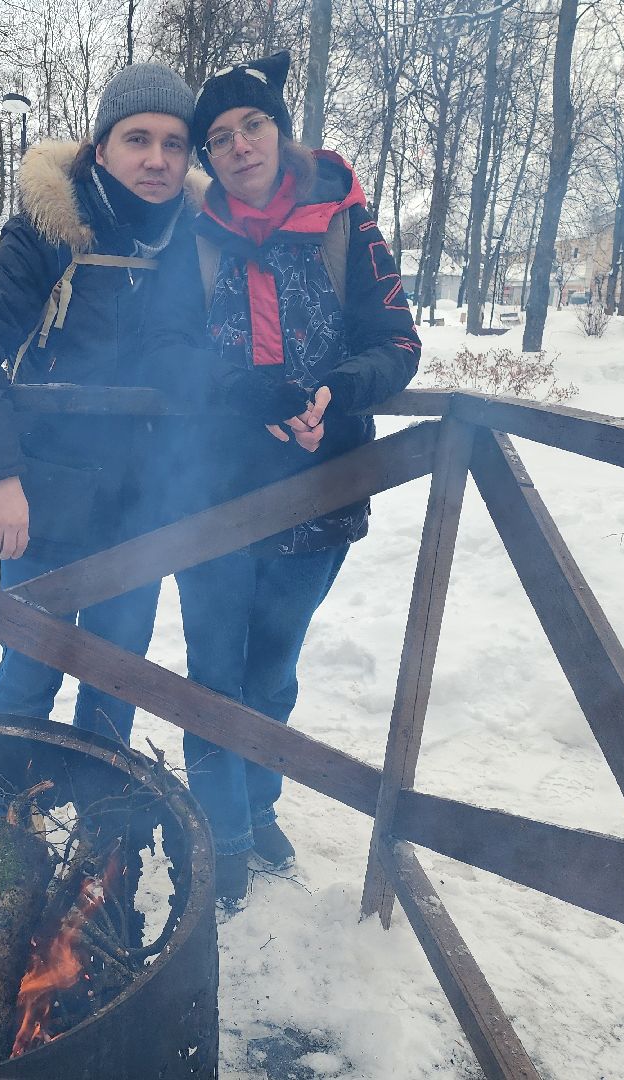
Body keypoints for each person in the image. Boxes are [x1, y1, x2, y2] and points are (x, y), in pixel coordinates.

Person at [148, 52, 420, 907]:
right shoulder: (190, 240)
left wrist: (339, 394)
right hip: (211, 496)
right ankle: (219, 834)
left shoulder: (346, 223)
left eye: (252, 126)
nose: (237, 146)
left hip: (322, 493)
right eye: (219, 137)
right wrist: (239, 391)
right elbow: (168, 352)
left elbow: (399, 343)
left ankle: (257, 806)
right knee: (211, 674)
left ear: (280, 129)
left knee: (272, 672)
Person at [0, 64, 199, 745]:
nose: (156, 159)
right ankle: (4, 825)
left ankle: (101, 840)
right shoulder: (50, 231)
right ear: (101, 148)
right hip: (43, 503)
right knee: (27, 672)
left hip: (144, 509)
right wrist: (0, 476)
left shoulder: (199, 241)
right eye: (137, 139)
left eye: (172, 142)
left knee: (117, 681)